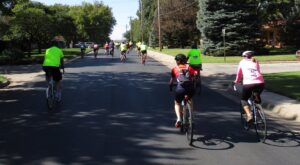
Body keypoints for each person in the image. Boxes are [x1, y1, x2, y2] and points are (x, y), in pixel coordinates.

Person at [233, 50, 265, 123]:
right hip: (260, 83)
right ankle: (258, 111)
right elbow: (258, 71)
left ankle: (249, 115)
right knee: (256, 96)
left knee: (244, 99)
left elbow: (239, 74)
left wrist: (236, 81)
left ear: (244, 56)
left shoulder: (242, 62)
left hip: (248, 83)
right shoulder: (256, 61)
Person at [169, 54, 197, 128]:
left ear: (177, 61)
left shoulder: (175, 69)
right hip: (190, 89)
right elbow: (195, 75)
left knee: (177, 103)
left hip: (180, 89)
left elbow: (172, 81)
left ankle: (178, 119)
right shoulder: (189, 67)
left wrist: (171, 85)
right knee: (190, 99)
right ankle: (191, 117)